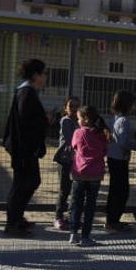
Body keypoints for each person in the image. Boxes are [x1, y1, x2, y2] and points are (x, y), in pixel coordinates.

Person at [3, 59, 49, 236]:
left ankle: (17, 218)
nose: (45, 77)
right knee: (22, 183)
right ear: (36, 75)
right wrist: (44, 121)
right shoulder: (27, 93)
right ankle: (12, 222)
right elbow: (25, 121)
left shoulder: (28, 92)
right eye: (44, 73)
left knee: (30, 181)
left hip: (26, 147)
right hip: (23, 148)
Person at [68, 105, 108, 247]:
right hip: (95, 174)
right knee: (90, 206)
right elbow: (104, 150)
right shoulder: (101, 135)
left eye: (78, 118)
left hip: (79, 173)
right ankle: (86, 236)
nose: (77, 121)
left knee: (76, 204)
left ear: (85, 119)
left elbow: (74, 147)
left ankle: (73, 233)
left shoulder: (78, 133)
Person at [105, 90, 136, 233]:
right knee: (121, 191)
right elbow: (124, 142)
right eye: (132, 104)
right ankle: (113, 221)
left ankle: (112, 220)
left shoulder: (114, 118)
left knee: (115, 190)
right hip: (120, 159)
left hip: (113, 157)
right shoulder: (123, 121)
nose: (134, 107)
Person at [53, 96, 80, 230]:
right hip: (65, 159)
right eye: (71, 106)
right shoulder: (66, 121)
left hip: (76, 161)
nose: (74, 109)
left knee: (74, 189)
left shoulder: (79, 122)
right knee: (64, 189)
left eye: (76, 106)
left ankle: (70, 215)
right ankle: (58, 216)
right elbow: (71, 140)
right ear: (66, 108)